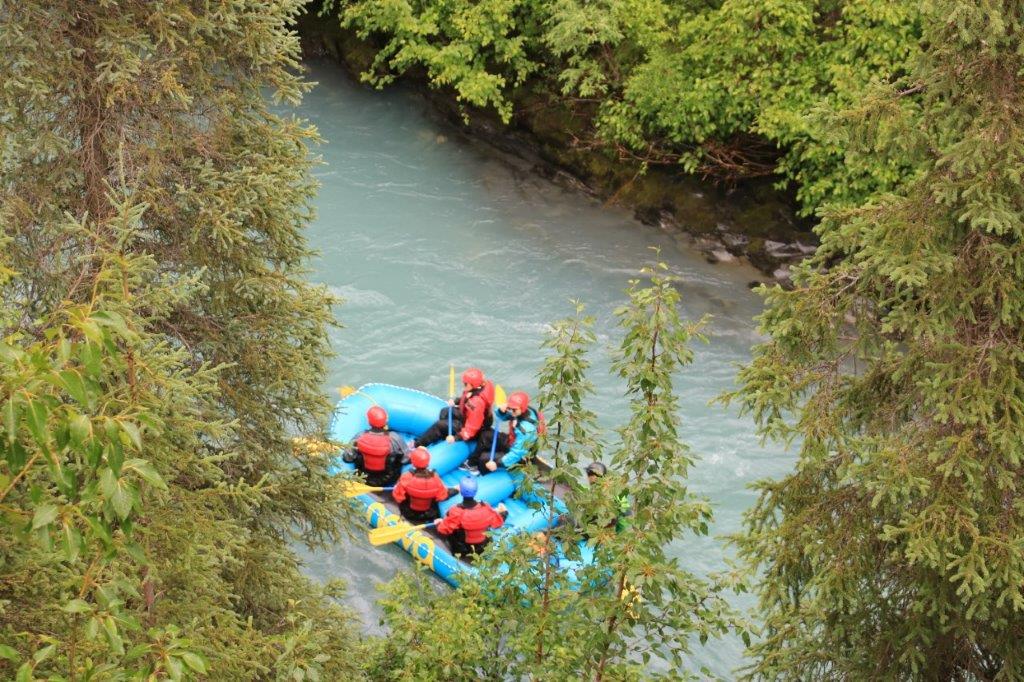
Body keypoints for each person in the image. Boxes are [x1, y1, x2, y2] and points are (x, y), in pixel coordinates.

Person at [413, 368, 496, 458]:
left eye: (465, 384)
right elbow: (467, 397)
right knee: (445, 412)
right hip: (468, 416)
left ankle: (417, 445)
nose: (464, 385)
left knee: (439, 425)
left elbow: (471, 429)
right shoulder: (480, 387)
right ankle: (444, 433)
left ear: (473, 385)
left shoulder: (476, 403)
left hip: (475, 429)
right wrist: (456, 401)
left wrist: (456, 437)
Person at [436, 476, 507, 560]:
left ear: (461, 492)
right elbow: (498, 523)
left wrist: (439, 523)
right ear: (475, 491)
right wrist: (504, 512)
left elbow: (442, 530)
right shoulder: (486, 508)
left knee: (450, 530)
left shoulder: (456, 511)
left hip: (463, 548)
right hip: (482, 547)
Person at [342, 406, 408, 487]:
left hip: (362, 477)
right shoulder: (394, 438)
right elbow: (406, 459)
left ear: (369, 422)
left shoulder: (359, 436)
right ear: (385, 422)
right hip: (388, 480)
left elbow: (347, 458)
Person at [479, 391, 541, 474]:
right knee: (486, 435)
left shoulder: (526, 430)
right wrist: (501, 411)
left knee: (484, 458)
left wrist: (498, 463)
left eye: (513, 409)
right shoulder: (520, 411)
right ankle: (473, 462)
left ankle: (484, 475)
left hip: (520, 457)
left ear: (522, 408)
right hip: (512, 442)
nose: (511, 411)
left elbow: (517, 453)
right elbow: (502, 417)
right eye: (509, 408)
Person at [391, 447, 456, 523]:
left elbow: (398, 497)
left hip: (408, 513)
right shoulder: (435, 478)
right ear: (428, 463)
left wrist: (397, 487)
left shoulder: (406, 477)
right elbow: (442, 497)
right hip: (428, 514)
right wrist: (455, 490)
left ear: (413, 462)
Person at [584, 461, 632, 533]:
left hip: (610, 529)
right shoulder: (589, 491)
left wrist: (620, 534)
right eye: (589, 474)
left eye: (595, 475)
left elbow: (626, 515)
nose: (591, 477)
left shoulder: (616, 493)